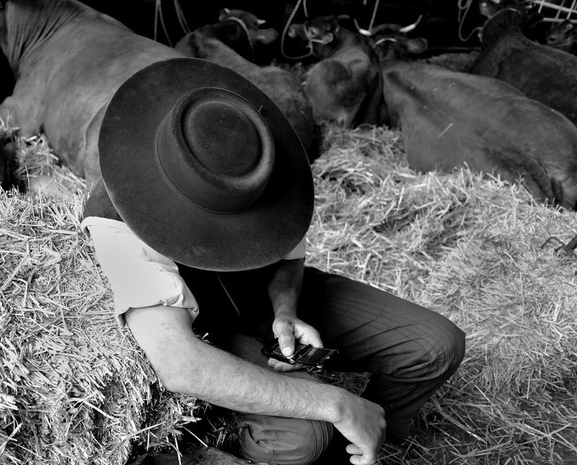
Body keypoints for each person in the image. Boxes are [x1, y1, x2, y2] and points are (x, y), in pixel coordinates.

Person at [82, 57, 465, 465]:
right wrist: (333, 404)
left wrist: (286, 309)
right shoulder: (115, 215)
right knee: (302, 440)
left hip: (260, 298)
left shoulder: (260, 157)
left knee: (436, 347)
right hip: (208, 328)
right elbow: (178, 362)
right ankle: (247, 438)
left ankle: (365, 439)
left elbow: (289, 252)